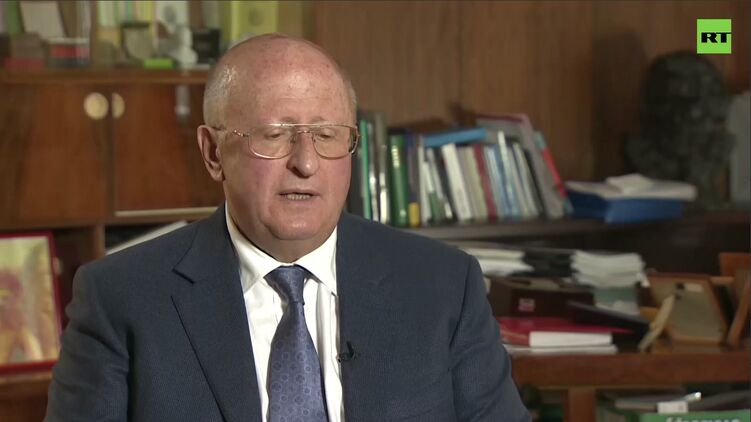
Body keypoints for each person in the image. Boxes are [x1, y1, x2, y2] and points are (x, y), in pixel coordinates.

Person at [46, 34, 529, 422]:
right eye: (274, 136)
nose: (306, 163)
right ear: (213, 153)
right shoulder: (120, 298)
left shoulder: (444, 285)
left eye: (327, 136)